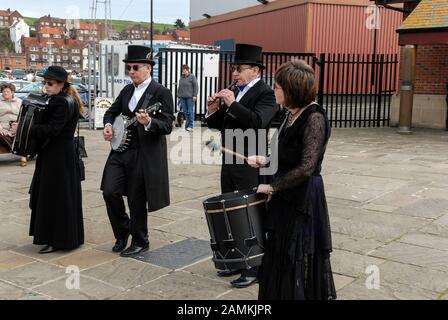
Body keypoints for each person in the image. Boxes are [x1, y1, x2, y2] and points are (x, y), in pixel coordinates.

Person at [247, 60, 336, 300]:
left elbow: (307, 166)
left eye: (277, 86)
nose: (273, 90)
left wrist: (273, 185)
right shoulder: (290, 114)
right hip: (285, 194)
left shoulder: (314, 118)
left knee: (296, 254)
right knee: (279, 251)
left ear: (292, 90)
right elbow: (287, 153)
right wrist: (266, 160)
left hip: (303, 195)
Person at [206, 43, 278, 288]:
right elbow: (223, 124)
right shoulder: (235, 91)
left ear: (255, 71)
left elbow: (258, 122)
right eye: (233, 68)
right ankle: (237, 259)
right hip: (230, 160)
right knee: (231, 210)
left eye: (239, 69)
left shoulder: (265, 93)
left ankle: (255, 266)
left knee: (250, 213)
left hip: (250, 162)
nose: (234, 73)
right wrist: (213, 110)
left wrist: (234, 103)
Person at [101, 45, 174, 257]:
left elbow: (167, 124)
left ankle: (140, 240)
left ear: (148, 68)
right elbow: (111, 112)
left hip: (144, 153)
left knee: (136, 198)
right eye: (129, 68)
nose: (131, 71)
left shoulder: (161, 92)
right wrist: (108, 126)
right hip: (120, 151)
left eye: (135, 67)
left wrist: (149, 121)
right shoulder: (126, 90)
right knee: (109, 191)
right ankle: (123, 231)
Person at [28, 66, 84, 254]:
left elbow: (53, 129)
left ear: (61, 84)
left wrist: (28, 128)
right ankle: (66, 237)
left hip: (57, 155)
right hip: (60, 153)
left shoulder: (61, 102)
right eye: (45, 83)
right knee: (62, 195)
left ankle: (57, 239)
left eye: (50, 83)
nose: (46, 86)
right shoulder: (66, 99)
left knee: (55, 196)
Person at [0, 83, 27, 166]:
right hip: (3, 126)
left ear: (12, 92)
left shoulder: (19, 101)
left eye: (7, 91)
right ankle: (21, 153)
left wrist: (19, 125)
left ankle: (20, 152)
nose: (5, 93)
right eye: (4, 91)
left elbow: (23, 115)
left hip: (16, 126)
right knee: (1, 134)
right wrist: (0, 128)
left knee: (23, 132)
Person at [177, 64, 198, 131]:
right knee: (185, 112)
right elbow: (180, 87)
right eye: (182, 70)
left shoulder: (192, 77)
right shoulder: (181, 77)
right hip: (182, 97)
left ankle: (191, 126)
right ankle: (187, 125)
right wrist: (178, 95)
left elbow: (196, 86)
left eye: (184, 70)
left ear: (187, 70)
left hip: (190, 97)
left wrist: (195, 95)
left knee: (190, 111)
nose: (182, 71)